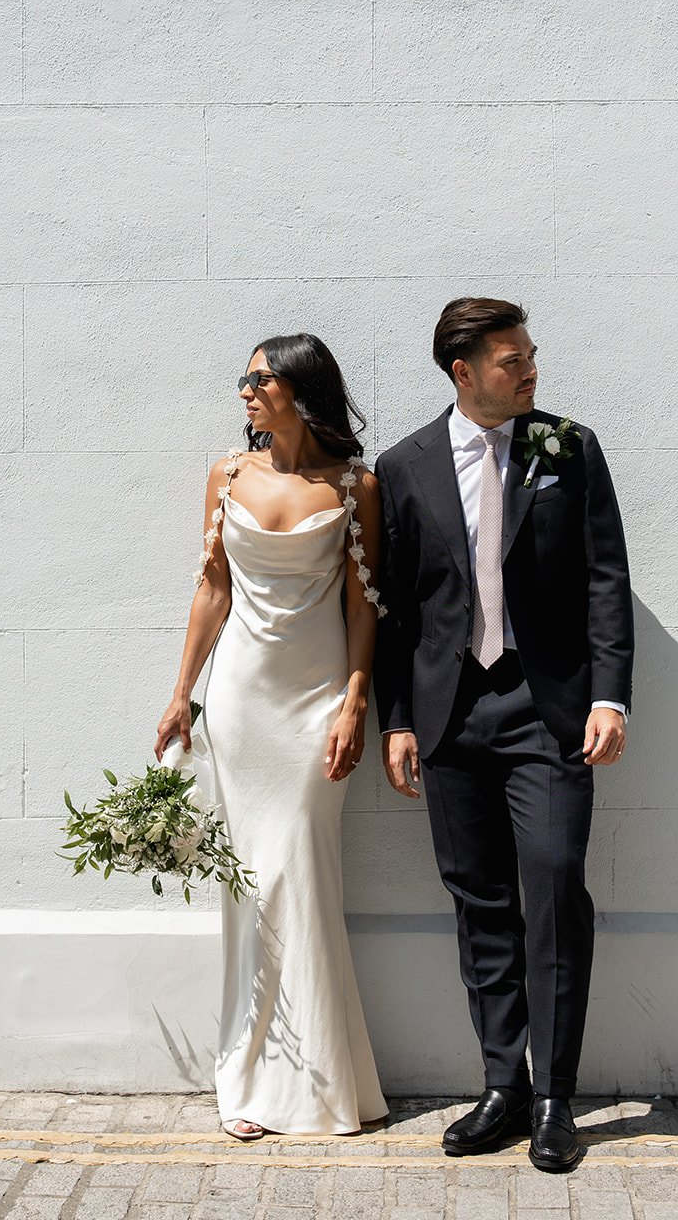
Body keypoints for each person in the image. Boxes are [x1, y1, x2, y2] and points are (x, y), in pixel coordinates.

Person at [374, 297, 633, 1174]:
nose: (528, 371)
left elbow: (606, 578)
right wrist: (398, 718)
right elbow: (397, 608)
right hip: (450, 715)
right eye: (510, 360)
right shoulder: (403, 465)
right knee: (478, 901)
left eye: (529, 356)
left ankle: (557, 1096)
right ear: (463, 371)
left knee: (555, 885)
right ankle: (503, 1086)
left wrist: (610, 699)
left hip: (548, 710)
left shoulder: (568, 445)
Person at [154, 334, 388, 1140]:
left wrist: (357, 701)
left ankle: (322, 1083)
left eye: (260, 378)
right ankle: (249, 1078)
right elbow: (211, 588)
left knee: (302, 874)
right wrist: (180, 693)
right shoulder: (227, 475)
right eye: (245, 379)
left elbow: (364, 604)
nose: (246, 391)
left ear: (301, 389)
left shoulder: (357, 485)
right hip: (242, 702)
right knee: (249, 884)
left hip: (317, 700)